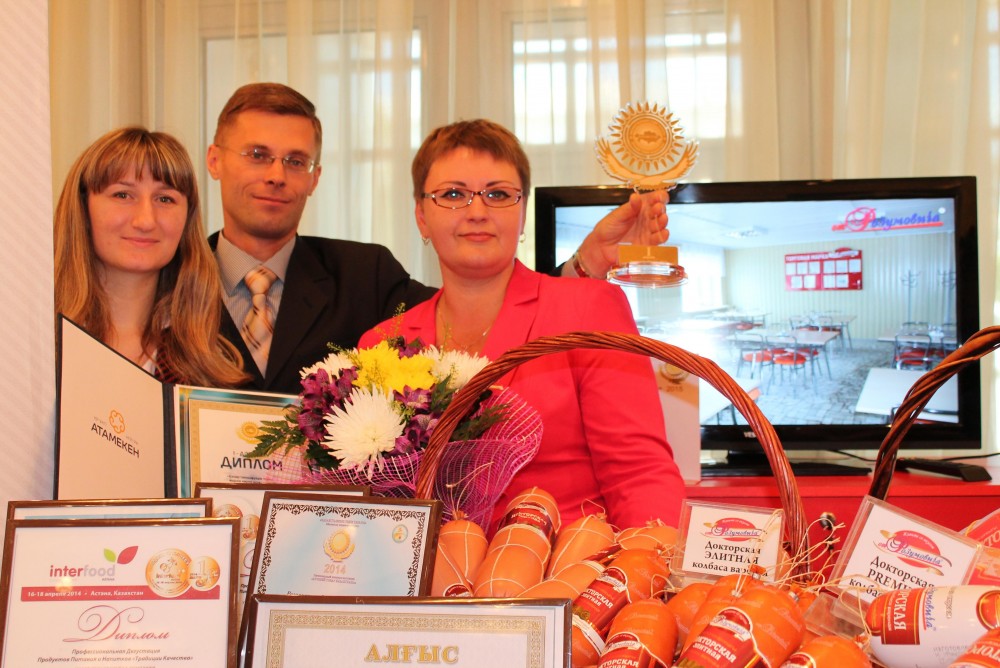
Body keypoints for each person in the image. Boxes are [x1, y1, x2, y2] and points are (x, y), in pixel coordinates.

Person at [206, 82, 670, 395]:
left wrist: (583, 266)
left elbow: (479, 310)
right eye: (257, 154)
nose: (276, 175)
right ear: (214, 161)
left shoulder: (364, 275)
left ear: (315, 177)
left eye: (295, 161)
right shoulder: (175, 280)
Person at [359, 119, 685, 530]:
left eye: (497, 194)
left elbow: (638, 473)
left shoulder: (589, 309)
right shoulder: (380, 344)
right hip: (425, 566)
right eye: (453, 194)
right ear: (421, 216)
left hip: (568, 563)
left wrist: (648, 561)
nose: (477, 212)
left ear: (522, 211)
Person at [54, 127, 248, 387]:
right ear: (82, 207)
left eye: (165, 199)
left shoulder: (209, 368)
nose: (145, 221)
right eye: (122, 195)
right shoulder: (36, 345)